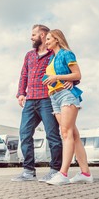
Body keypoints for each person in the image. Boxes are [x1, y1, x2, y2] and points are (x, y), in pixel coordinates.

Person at [12, 24, 71, 182]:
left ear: (43, 35)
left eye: (33, 34)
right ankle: (28, 171)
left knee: (52, 135)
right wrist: (20, 93)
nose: (31, 37)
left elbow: (68, 68)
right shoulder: (29, 55)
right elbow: (23, 74)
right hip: (30, 100)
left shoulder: (55, 53)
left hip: (48, 99)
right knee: (24, 134)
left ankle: (55, 170)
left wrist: (74, 81)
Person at [42, 29, 93, 185]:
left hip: (66, 95)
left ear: (57, 39)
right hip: (54, 97)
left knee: (66, 133)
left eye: (49, 38)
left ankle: (63, 174)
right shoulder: (52, 58)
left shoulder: (66, 54)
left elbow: (77, 75)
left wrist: (58, 77)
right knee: (73, 135)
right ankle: (85, 173)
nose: (46, 41)